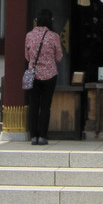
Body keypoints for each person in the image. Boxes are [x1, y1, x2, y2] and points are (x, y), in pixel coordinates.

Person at [25, 9, 63, 145]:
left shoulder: (29, 35)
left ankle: (33, 136)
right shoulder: (54, 36)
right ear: (50, 20)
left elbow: (27, 56)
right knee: (46, 106)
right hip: (50, 75)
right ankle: (43, 136)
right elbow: (58, 57)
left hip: (33, 74)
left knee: (33, 105)